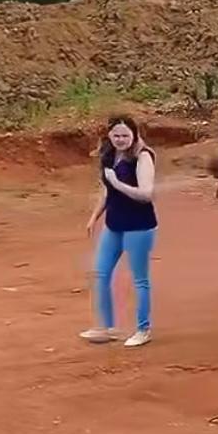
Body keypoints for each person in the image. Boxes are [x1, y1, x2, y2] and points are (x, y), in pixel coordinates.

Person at [80, 116, 157, 347]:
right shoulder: (108, 154)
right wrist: (94, 217)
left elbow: (146, 194)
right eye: (116, 135)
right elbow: (106, 192)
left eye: (125, 135)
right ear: (109, 135)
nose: (121, 140)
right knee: (100, 273)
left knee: (139, 279)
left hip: (139, 225)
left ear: (134, 135)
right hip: (114, 224)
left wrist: (118, 184)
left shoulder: (143, 156)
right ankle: (107, 327)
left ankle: (143, 329)